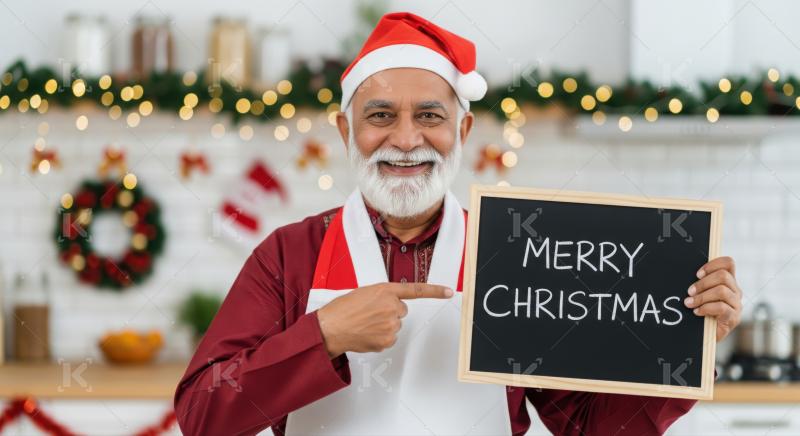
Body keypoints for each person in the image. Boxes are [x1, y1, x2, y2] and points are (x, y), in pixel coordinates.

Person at [174, 12, 743, 435]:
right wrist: (323, 336)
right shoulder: (288, 254)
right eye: (379, 117)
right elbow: (203, 412)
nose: (404, 139)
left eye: (429, 116)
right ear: (346, 133)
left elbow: (594, 427)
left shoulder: (517, 253)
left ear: (463, 133)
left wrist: (687, 343)